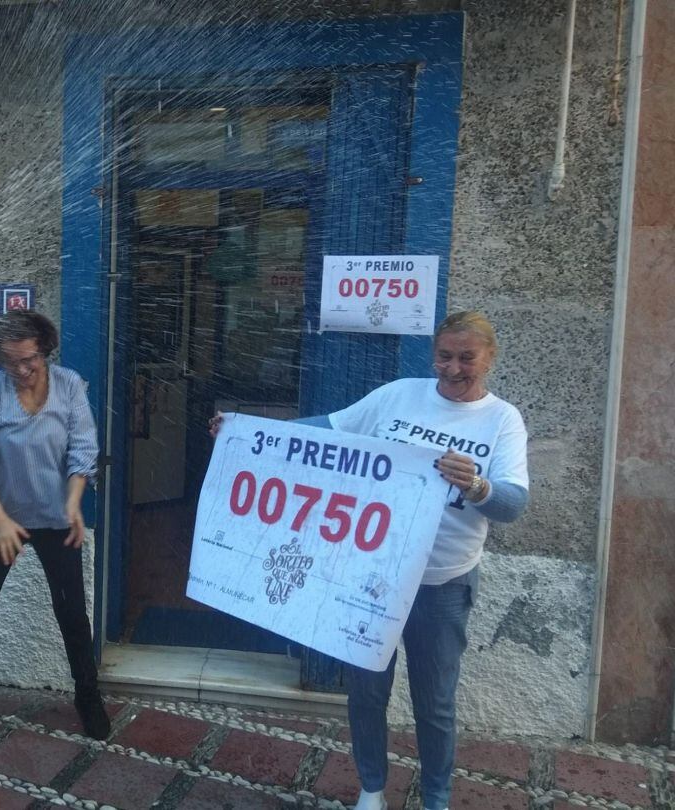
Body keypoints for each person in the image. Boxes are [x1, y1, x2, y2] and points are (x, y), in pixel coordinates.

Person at [209, 311, 529, 810]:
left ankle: (437, 798)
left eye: (467, 357)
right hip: (369, 576)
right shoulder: (400, 394)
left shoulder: (501, 419)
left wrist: (477, 484)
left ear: (490, 357)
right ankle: (372, 789)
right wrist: (248, 432)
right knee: (366, 692)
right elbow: (327, 430)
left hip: (442, 586)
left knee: (435, 704)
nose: (452, 368)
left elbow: (512, 505)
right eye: (444, 355)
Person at [0, 310, 110, 743]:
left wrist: (73, 504)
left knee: (72, 614)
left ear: (45, 351)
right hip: (2, 521)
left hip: (56, 521)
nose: (22, 370)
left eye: (29, 360)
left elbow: (83, 452)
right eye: (11, 362)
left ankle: (88, 697)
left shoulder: (69, 386)